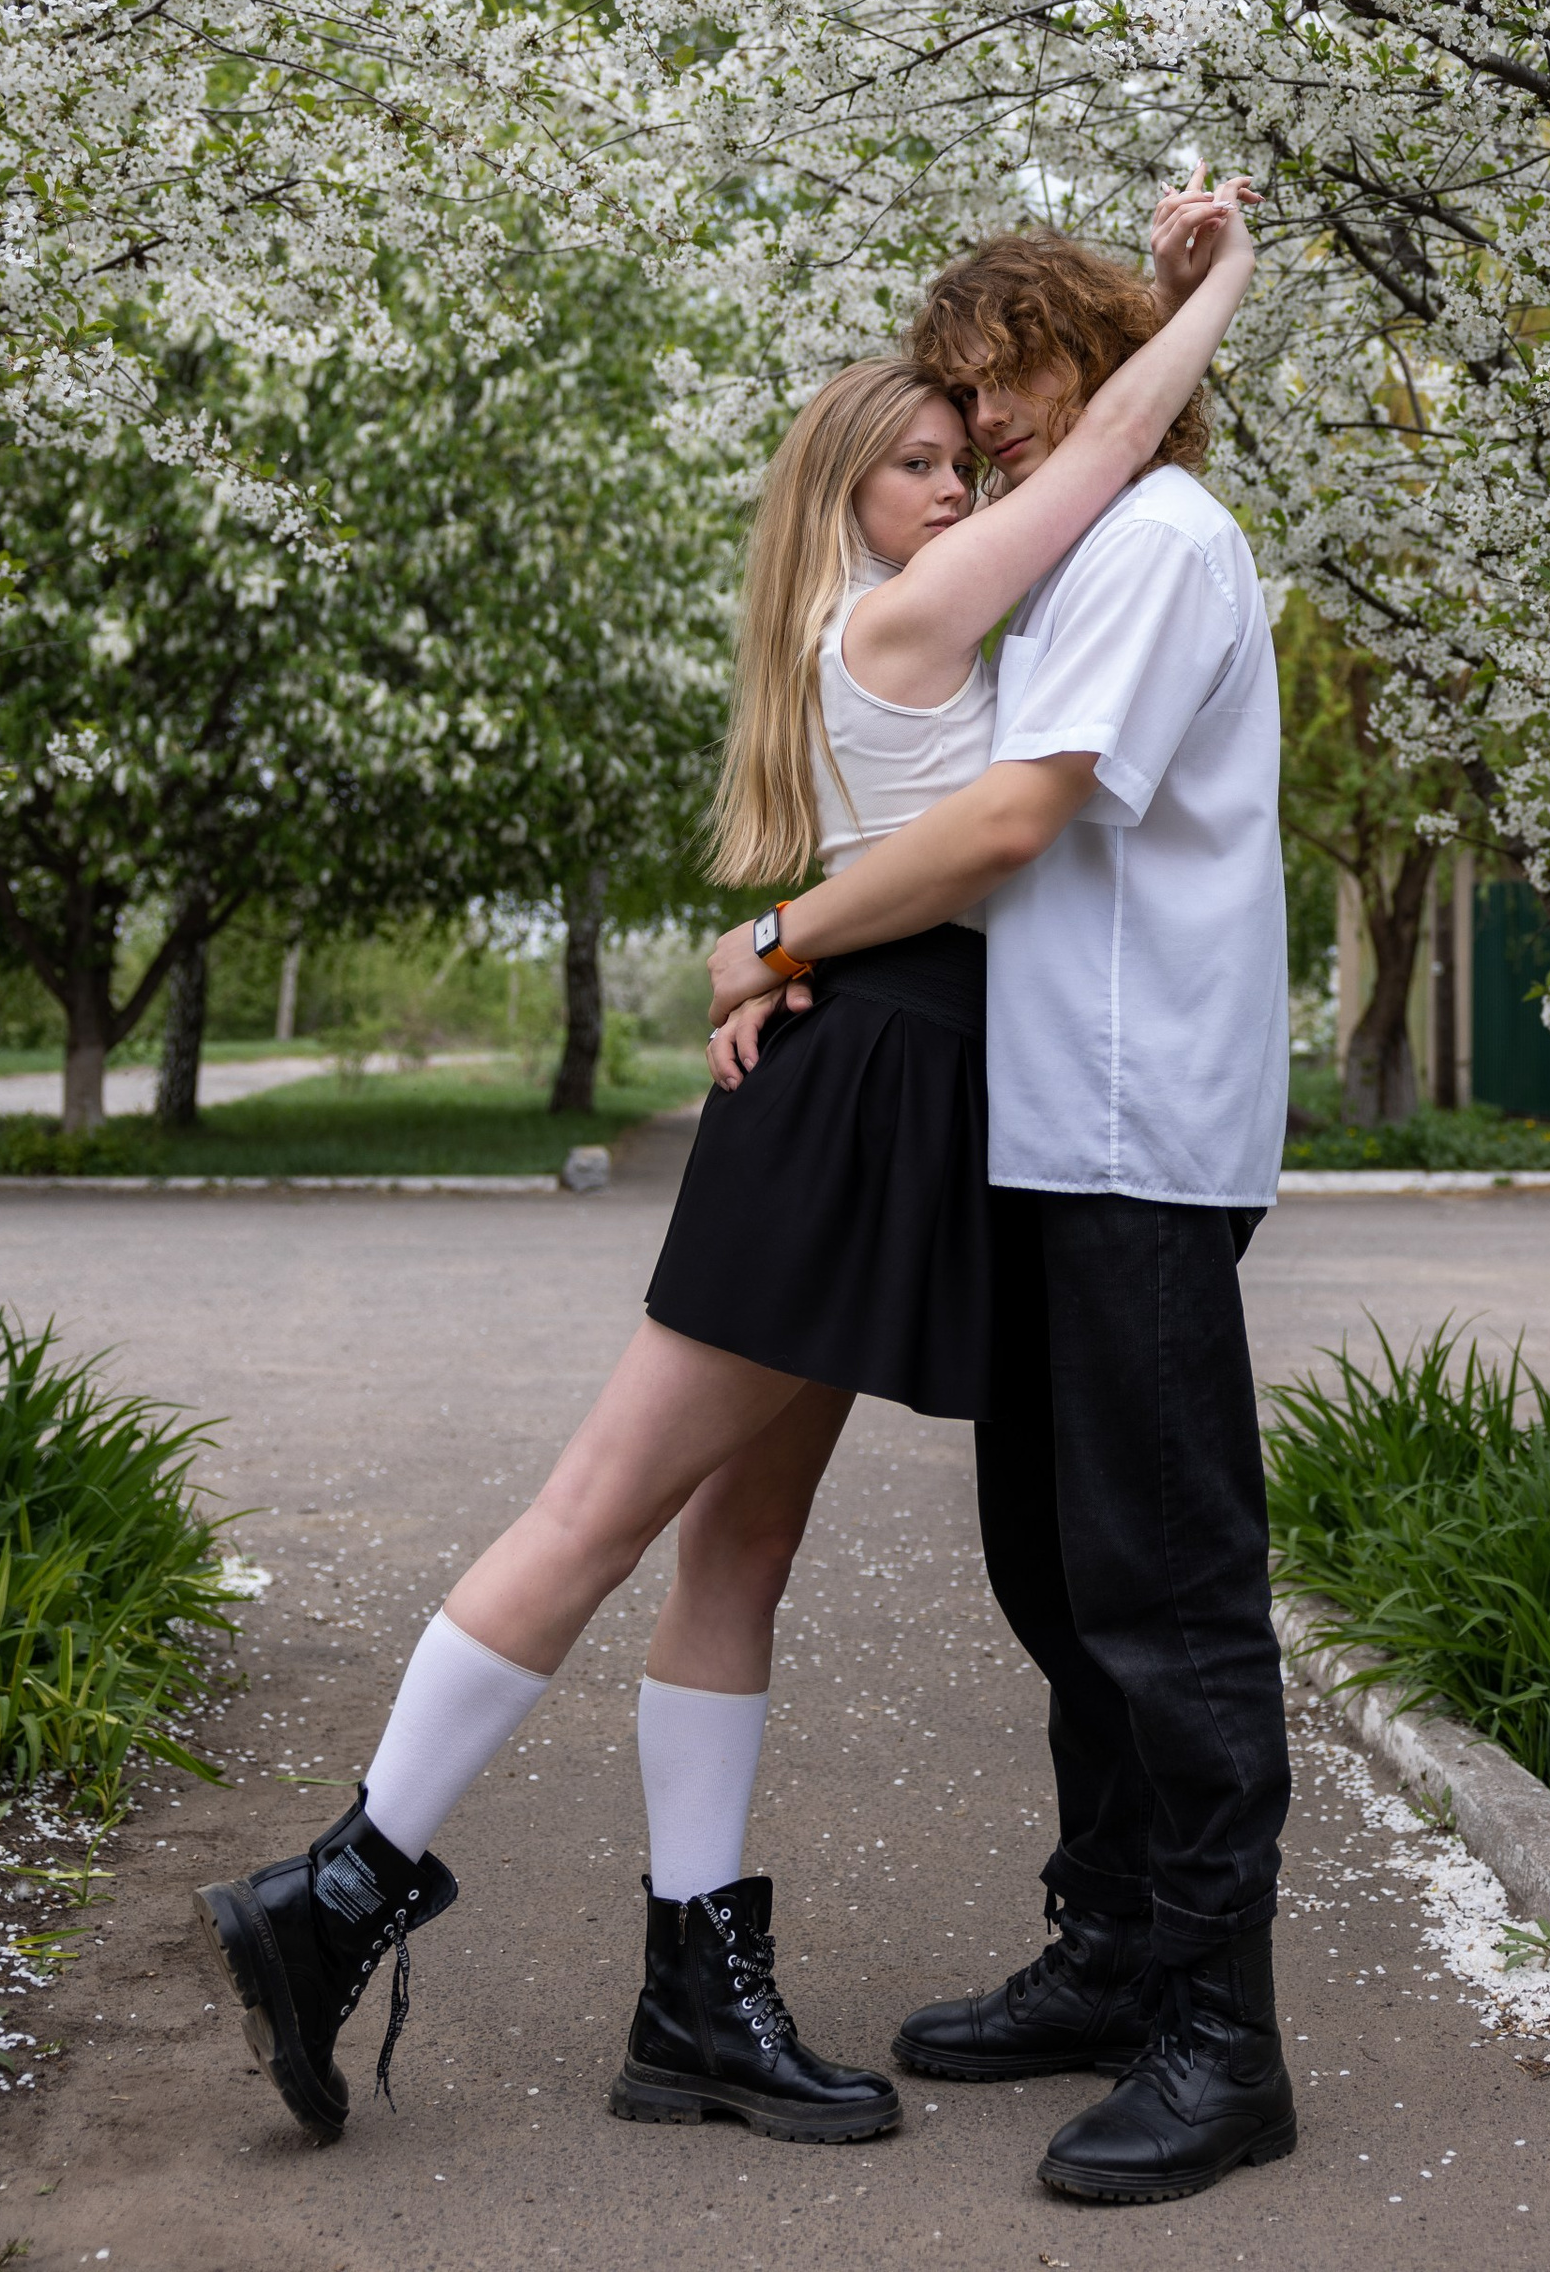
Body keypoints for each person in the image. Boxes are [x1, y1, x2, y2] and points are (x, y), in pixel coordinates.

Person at [193, 177, 1256, 2157]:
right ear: (846, 495)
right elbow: (1111, 432)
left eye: (966, 451)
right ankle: (335, 1885)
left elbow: (1087, 483)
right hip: (865, 1108)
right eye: (921, 458)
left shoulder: (910, 620)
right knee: (605, 1502)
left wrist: (774, 944)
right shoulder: (914, 605)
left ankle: (693, 1986)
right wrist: (1214, 292)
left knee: (732, 1545)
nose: (958, 481)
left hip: (892, 1093)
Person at [705, 224, 1294, 2209]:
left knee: (1165, 1587)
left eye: (1004, 384)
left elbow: (1016, 814)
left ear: (1084, 364)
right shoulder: (1072, 547)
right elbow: (940, 829)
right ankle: (1115, 1943)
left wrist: (769, 932)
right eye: (955, 402)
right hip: (1044, 1130)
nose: (978, 426)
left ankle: (1221, 2034)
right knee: (1059, 1577)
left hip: (1136, 1128)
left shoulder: (1148, 542)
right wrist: (822, 956)